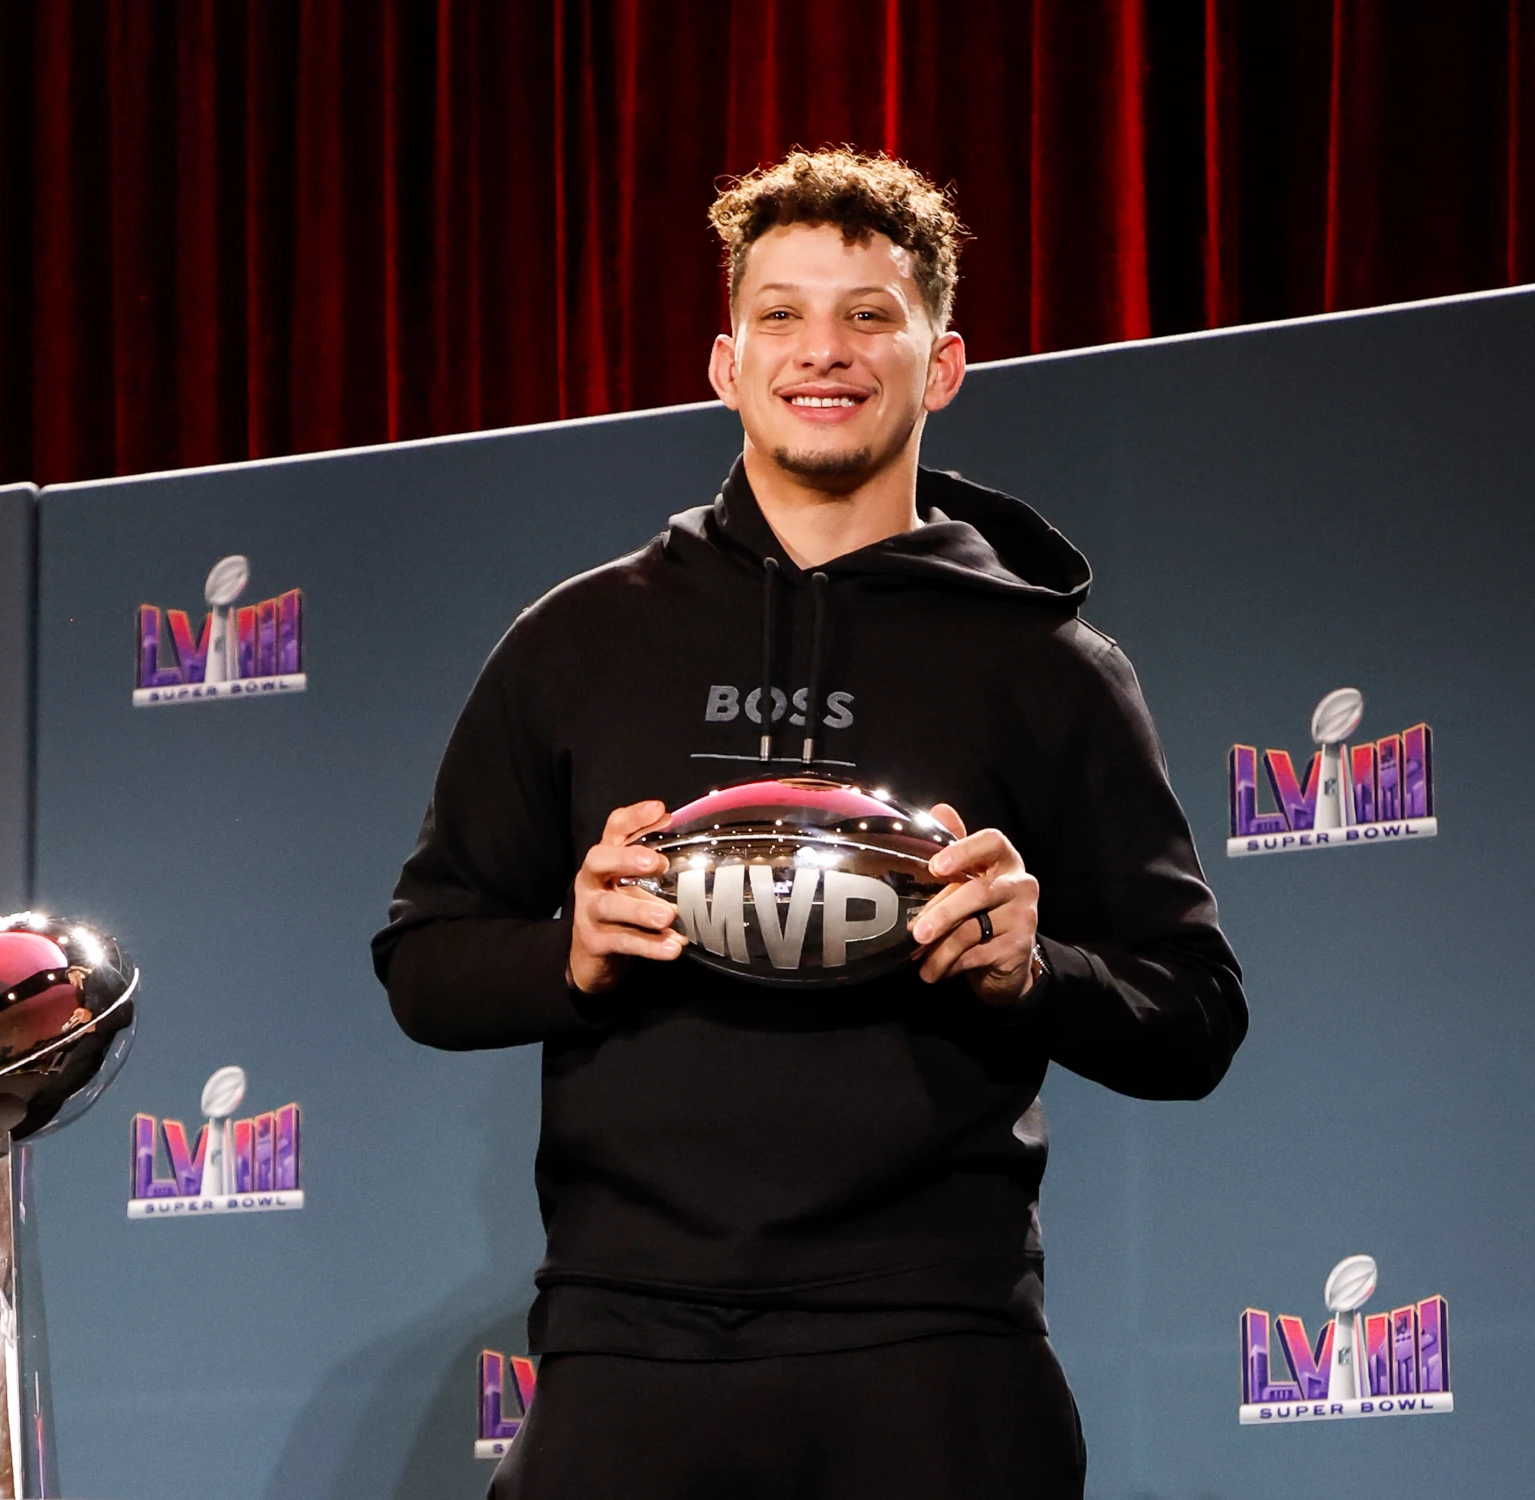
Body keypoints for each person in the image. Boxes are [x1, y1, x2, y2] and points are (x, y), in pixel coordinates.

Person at [372, 147, 1246, 1499]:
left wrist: (1037, 970)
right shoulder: (581, 640)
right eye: (779, 314)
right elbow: (424, 961)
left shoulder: (1048, 664)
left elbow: (1193, 1018)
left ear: (940, 364)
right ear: (725, 363)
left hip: (933, 1350)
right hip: (630, 1345)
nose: (819, 352)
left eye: (867, 315)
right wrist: (570, 957)